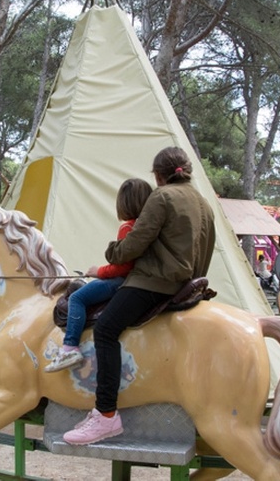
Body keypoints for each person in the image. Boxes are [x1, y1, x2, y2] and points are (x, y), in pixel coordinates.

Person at [62, 146, 216, 445]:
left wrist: (112, 252)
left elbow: (135, 244)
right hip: (187, 282)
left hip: (153, 282)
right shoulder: (204, 203)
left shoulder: (162, 197)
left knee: (105, 329)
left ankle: (106, 415)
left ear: (158, 177)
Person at [46, 178, 153, 373]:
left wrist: (98, 271)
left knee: (77, 297)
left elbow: (123, 266)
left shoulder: (128, 227)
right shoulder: (148, 228)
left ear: (124, 202)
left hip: (120, 281)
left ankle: (69, 347)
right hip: (136, 281)